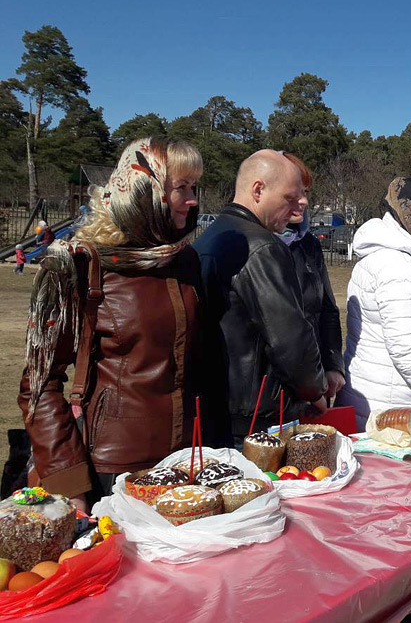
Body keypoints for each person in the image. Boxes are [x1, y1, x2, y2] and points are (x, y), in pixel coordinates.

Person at [18, 137, 204, 509]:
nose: (193, 199)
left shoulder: (184, 261)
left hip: (185, 463)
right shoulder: (80, 264)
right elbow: (39, 386)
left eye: (194, 187)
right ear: (142, 190)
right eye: (180, 188)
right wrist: (71, 484)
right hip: (113, 470)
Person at [194, 150, 325, 445]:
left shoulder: (211, 237)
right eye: (290, 198)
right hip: (257, 419)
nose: (298, 207)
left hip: (216, 408)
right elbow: (291, 341)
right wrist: (314, 390)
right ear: (258, 190)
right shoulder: (263, 246)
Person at [337, 176, 411, 429]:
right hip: (389, 406)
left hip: (366, 394)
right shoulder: (400, 268)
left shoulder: (378, 256)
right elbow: (406, 349)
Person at [277, 155, 345, 406]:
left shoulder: (309, 244)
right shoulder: (257, 244)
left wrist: (333, 366)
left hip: (315, 382)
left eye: (305, 192)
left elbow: (327, 308)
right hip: (274, 391)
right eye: (294, 193)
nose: (303, 201)